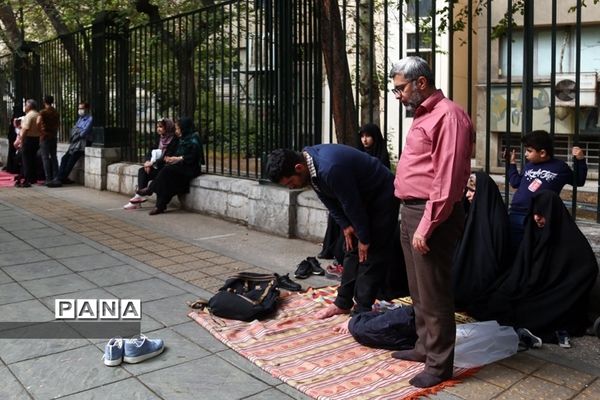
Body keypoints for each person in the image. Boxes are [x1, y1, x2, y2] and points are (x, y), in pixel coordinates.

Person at [389, 56, 473, 388]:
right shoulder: (424, 115)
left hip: (431, 212)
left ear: (420, 82)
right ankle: (424, 346)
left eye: (400, 88)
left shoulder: (449, 116)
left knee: (434, 291)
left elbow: (448, 179)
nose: (398, 95)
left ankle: (439, 365)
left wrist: (428, 224)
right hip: (411, 209)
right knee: (418, 287)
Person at [266, 144, 399, 318]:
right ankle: (342, 303)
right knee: (351, 247)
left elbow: (352, 204)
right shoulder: (309, 165)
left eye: (290, 182)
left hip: (382, 195)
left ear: (298, 168)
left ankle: (361, 312)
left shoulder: (330, 168)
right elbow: (327, 198)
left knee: (371, 253)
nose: (291, 187)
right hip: (359, 198)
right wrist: (345, 225)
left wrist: (365, 239)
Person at [470, 190, 598, 348]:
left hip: (556, 295)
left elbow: (586, 268)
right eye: (535, 213)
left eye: (542, 214)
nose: (537, 218)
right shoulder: (534, 233)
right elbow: (522, 267)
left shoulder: (571, 241)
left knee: (532, 314)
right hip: (532, 288)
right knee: (499, 302)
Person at [506, 130, 587, 258]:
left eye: (529, 151)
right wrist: (511, 164)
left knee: (533, 252)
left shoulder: (560, 167)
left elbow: (579, 181)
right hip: (516, 213)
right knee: (513, 249)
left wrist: (580, 160)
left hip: (538, 217)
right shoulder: (529, 166)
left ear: (542, 153)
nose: (526, 154)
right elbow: (515, 182)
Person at [319, 123, 391, 263]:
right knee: (337, 216)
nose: (365, 140)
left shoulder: (380, 156)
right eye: (362, 136)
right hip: (352, 195)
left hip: (369, 199)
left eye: (368, 136)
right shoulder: (357, 153)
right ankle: (334, 249)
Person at [452, 172, 510, 311]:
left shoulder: (497, 221)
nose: (467, 195)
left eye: (472, 191)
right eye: (467, 190)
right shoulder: (469, 213)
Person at [140, 117, 204, 215]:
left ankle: (150, 190)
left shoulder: (194, 139)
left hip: (190, 168)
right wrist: (170, 159)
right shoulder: (182, 139)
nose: (176, 131)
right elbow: (176, 154)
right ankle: (159, 206)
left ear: (184, 128)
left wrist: (178, 158)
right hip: (179, 166)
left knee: (166, 172)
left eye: (178, 128)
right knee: (166, 178)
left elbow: (193, 157)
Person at [123, 118, 179, 210]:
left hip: (165, 168)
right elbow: (150, 151)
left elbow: (167, 157)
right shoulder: (160, 138)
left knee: (157, 175)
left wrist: (152, 164)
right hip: (156, 166)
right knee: (142, 171)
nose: (158, 129)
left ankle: (141, 197)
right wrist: (147, 162)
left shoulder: (174, 140)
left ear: (168, 128)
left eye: (161, 127)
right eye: (157, 127)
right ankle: (138, 197)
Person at [47, 101, 93, 187]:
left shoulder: (90, 119)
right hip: (75, 142)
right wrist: (77, 131)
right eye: (79, 108)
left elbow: (83, 133)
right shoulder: (80, 119)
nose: (80, 110)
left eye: (82, 108)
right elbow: (73, 131)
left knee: (72, 159)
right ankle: (61, 178)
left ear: (87, 109)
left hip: (83, 143)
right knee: (65, 158)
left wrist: (77, 131)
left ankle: (59, 179)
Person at [13, 99, 41, 187]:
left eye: (26, 105)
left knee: (26, 160)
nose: (24, 107)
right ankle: (33, 178)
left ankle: (27, 179)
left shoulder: (29, 116)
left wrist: (21, 139)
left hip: (28, 139)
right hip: (36, 139)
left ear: (29, 106)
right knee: (32, 159)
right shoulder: (37, 114)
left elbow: (25, 129)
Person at [37, 95, 60, 185]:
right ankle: (56, 177)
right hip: (53, 136)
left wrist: (41, 132)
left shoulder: (43, 112)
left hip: (45, 137)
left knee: (45, 157)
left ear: (44, 102)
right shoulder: (56, 112)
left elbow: (38, 122)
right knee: (54, 157)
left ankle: (48, 178)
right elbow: (58, 124)